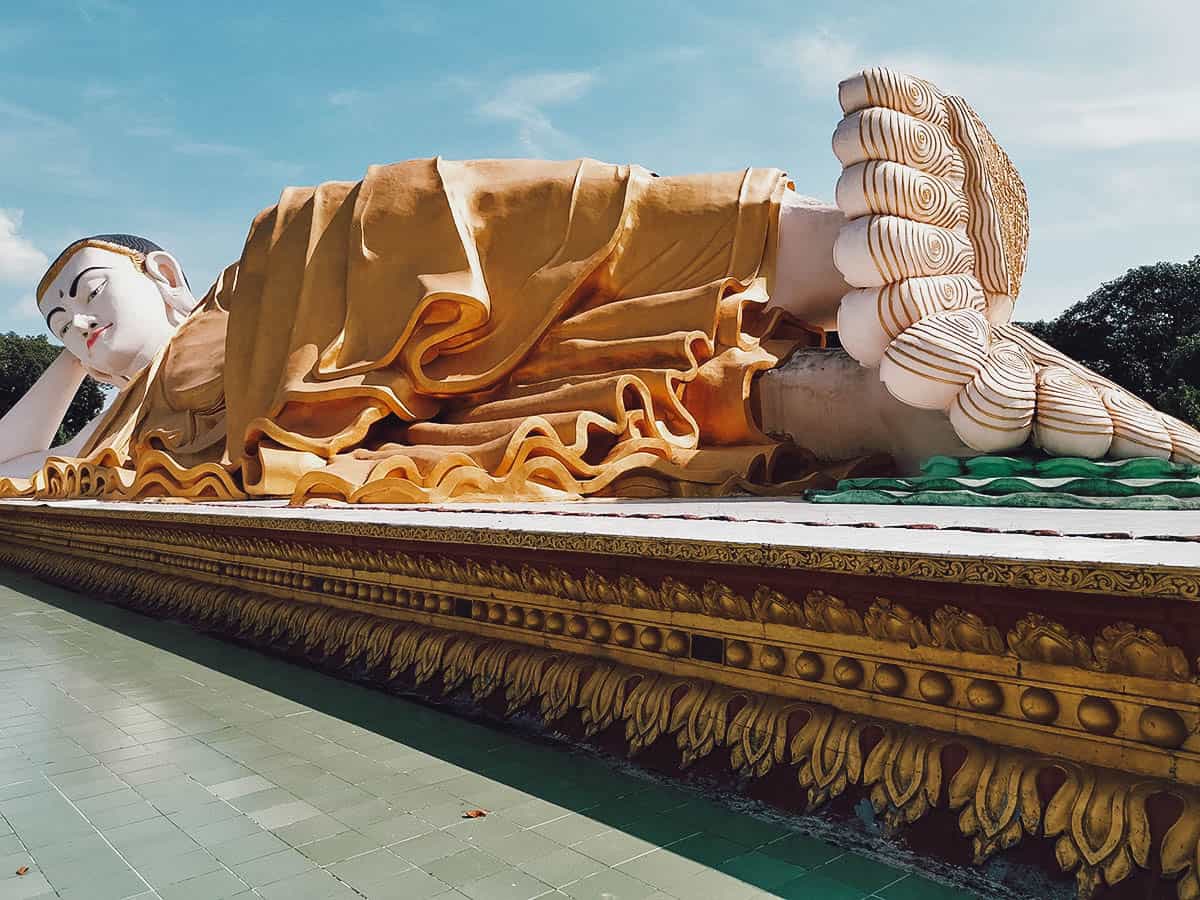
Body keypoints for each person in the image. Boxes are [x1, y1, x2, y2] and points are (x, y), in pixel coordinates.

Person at [2, 68, 1197, 504]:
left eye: (91, 288)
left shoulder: (244, 281)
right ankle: (899, 395)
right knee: (606, 407)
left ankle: (837, 247)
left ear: (161, 268)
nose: (79, 321)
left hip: (349, 327)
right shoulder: (127, 419)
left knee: (375, 216)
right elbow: (8, 469)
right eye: (56, 316)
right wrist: (78, 357)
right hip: (380, 422)